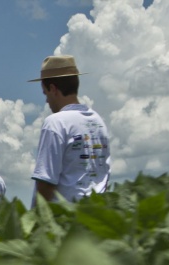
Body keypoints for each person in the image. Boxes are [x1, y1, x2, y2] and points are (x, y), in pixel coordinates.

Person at [30, 55, 111, 203]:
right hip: (98, 213)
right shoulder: (98, 122)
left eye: (45, 93)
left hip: (67, 219)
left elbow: (45, 183)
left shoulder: (55, 123)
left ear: (53, 89)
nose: (47, 100)